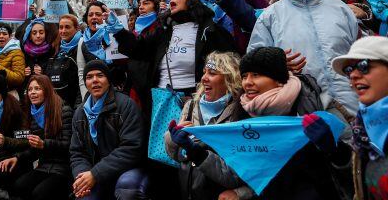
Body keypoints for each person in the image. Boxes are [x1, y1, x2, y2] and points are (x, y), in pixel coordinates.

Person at [220, 46, 347, 199]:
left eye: (256, 75)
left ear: (278, 79)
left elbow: (351, 164)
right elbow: (242, 171)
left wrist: (333, 149)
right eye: (244, 76)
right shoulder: (240, 110)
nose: (247, 82)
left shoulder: (314, 102)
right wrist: (198, 154)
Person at [248, 0, 360, 116]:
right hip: (302, 104)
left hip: (350, 99)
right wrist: (277, 64)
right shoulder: (270, 17)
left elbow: (358, 50)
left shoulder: (340, 8)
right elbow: (254, 61)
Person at [164, 51, 247, 199]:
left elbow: (243, 170)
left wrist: (197, 151)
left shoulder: (240, 111)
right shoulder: (191, 105)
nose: (204, 78)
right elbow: (178, 157)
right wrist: (173, 139)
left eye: (212, 73)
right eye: (204, 72)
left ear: (230, 78)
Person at [69, 60, 148, 199]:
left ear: (108, 80)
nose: (95, 80)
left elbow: (132, 148)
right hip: (95, 172)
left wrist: (95, 174)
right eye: (89, 77)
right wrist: (83, 176)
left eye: (100, 75)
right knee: (83, 194)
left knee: (127, 188)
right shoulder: (80, 112)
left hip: (128, 169)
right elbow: (77, 152)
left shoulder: (126, 105)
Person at [331, 36, 388, 199]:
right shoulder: (362, 132)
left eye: (363, 66)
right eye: (349, 71)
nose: (353, 76)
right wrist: (336, 153)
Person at [13, 74, 74, 200]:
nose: (32, 93)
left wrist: (44, 144)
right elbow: (34, 149)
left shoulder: (64, 110)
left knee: (40, 193)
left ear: (47, 90)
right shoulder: (34, 114)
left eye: (37, 88)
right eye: (30, 89)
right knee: (19, 186)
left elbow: (68, 145)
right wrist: (16, 158)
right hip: (44, 166)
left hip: (63, 168)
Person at [44, 13, 82, 109]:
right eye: (61, 27)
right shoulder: (56, 48)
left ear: (77, 28)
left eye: (67, 27)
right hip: (56, 104)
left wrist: (78, 106)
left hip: (74, 104)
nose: (63, 31)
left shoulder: (82, 46)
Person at [0, 24, 26, 91]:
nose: (1, 36)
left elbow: (19, 78)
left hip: (8, 92)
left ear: (10, 36)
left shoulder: (17, 52)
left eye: (4, 34)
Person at [22, 18, 55, 87]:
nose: (38, 36)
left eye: (41, 32)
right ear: (30, 36)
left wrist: (43, 72)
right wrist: (22, 72)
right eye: (34, 33)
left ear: (46, 34)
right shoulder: (23, 51)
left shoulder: (52, 50)